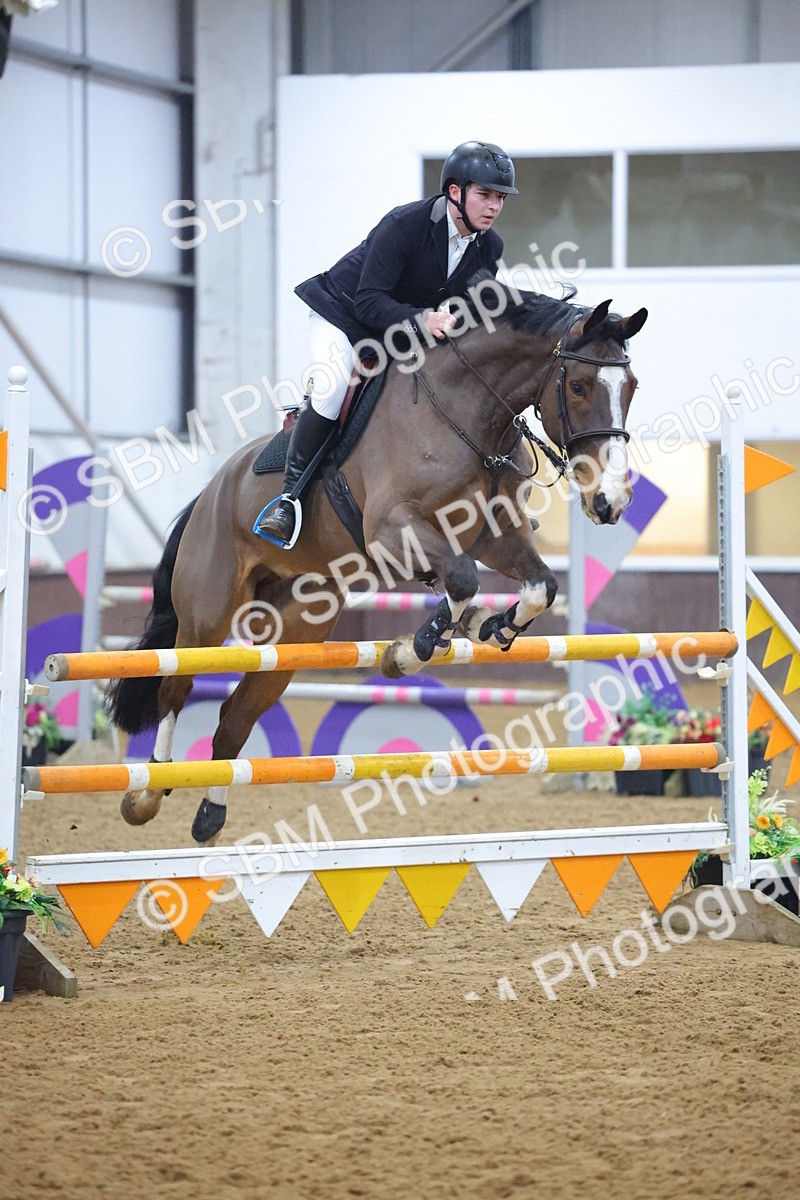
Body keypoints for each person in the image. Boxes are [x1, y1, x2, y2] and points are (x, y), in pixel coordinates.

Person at [255, 140, 518, 545]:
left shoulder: (489, 247)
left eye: (500, 198)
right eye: (485, 194)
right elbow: (368, 300)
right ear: (454, 192)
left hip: (399, 328)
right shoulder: (404, 224)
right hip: (343, 315)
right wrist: (422, 320)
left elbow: (473, 310)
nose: (494, 206)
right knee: (332, 389)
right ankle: (289, 501)